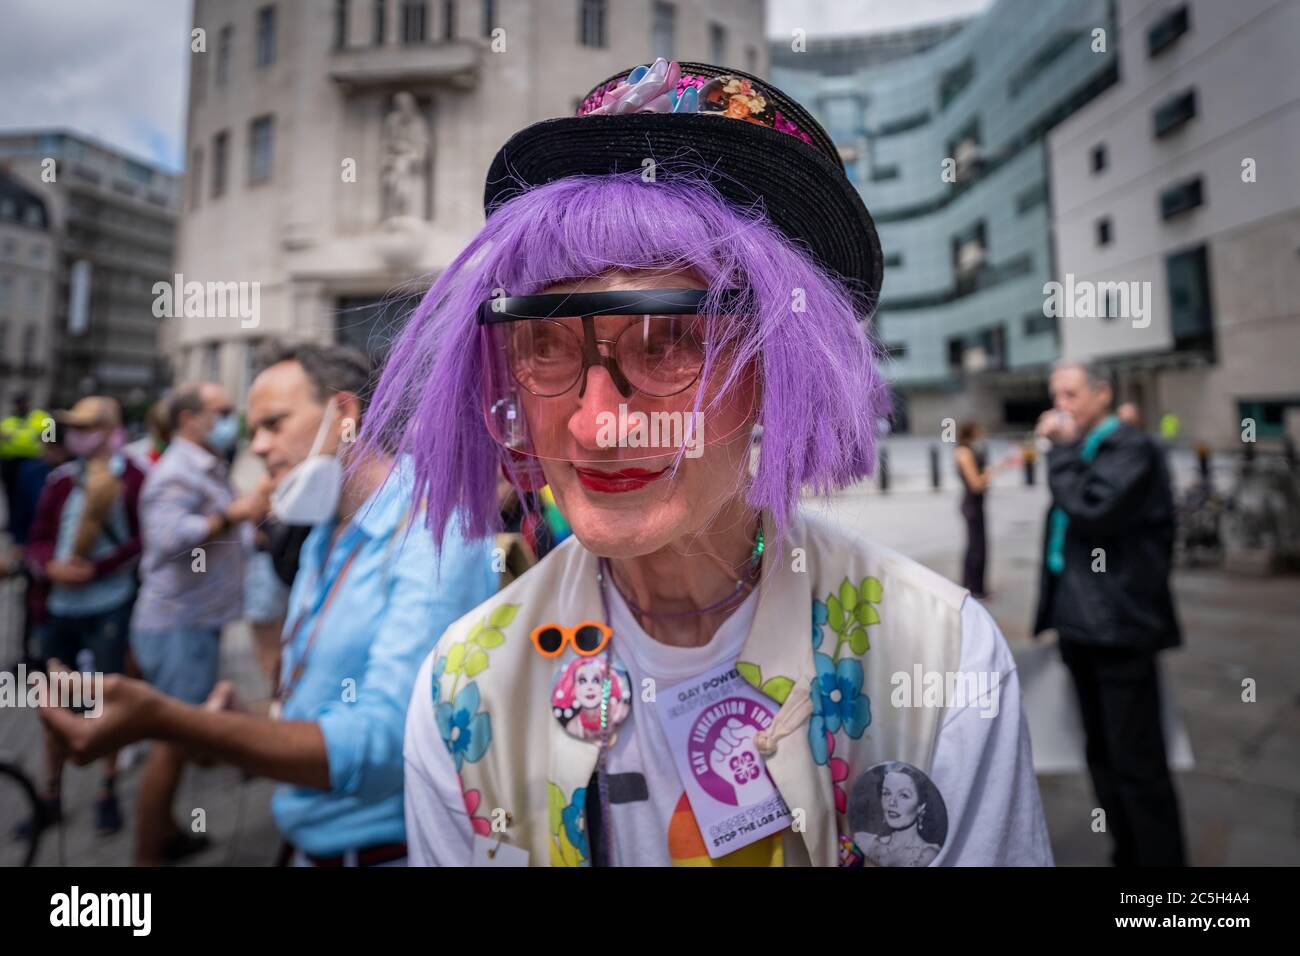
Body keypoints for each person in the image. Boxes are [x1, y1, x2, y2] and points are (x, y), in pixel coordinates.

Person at [365, 58, 1053, 866]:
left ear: (778, 371)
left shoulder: (939, 658)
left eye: (670, 343)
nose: (596, 426)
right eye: (545, 344)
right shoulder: (463, 692)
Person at [41, 344, 497, 867]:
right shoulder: (326, 530)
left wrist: (169, 721)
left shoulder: (435, 532)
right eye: (250, 428)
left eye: (274, 424)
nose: (256, 446)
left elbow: (387, 747)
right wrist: (252, 721)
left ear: (344, 415)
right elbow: (321, 702)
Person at [1033, 361, 1186, 867]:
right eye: (1056, 394)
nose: (1061, 405)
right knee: (1100, 752)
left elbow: (1092, 510)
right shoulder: (1088, 448)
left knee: (1136, 759)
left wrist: (1059, 450)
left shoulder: (1129, 447)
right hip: (1082, 623)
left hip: (1119, 626)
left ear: (1102, 394)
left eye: (1071, 394)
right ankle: (1127, 850)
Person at [129, 381, 266, 865]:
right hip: (177, 627)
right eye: (222, 411)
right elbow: (168, 538)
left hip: (195, 623)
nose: (233, 420)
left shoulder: (205, 464)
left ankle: (165, 834)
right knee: (172, 741)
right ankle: (147, 855)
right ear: (189, 419)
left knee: (181, 738)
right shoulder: (177, 472)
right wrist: (234, 514)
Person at [24, 396, 143, 835]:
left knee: (109, 699)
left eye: (89, 425)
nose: (79, 434)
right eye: (75, 426)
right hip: (61, 607)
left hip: (110, 603)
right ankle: (51, 792)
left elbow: (140, 541)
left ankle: (107, 789)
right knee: (52, 699)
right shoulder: (60, 480)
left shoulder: (132, 477)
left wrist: (99, 568)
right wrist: (48, 566)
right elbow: (37, 538)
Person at [952, 422, 1018, 597]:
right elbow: (976, 484)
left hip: (976, 504)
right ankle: (973, 588)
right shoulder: (964, 453)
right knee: (976, 548)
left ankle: (976, 587)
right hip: (972, 504)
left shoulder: (969, 451)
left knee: (979, 546)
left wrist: (998, 467)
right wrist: (991, 472)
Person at [1, 393, 50, 530]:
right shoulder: (9, 420)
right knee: (10, 494)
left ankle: (28, 525)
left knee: (28, 494)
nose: (21, 406)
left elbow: (51, 436)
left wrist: (46, 447)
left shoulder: (41, 418)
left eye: (23, 403)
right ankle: (13, 524)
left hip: (32, 462)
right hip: (10, 462)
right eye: (18, 403)